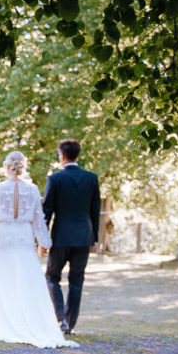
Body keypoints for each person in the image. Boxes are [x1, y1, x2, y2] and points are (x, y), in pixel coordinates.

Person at [0, 151, 77, 349]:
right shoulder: (32, 189)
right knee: (26, 280)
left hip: (3, 238)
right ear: (24, 166)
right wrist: (44, 243)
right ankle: (27, 320)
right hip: (23, 238)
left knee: (5, 281)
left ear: (6, 166)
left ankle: (5, 322)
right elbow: (39, 221)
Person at [42, 139, 101, 335]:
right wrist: (94, 238)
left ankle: (61, 320)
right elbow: (95, 210)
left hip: (60, 237)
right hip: (84, 237)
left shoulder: (55, 179)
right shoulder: (91, 178)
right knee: (77, 281)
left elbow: (47, 210)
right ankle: (70, 323)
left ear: (62, 156)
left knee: (52, 277)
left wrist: (42, 237)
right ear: (78, 155)